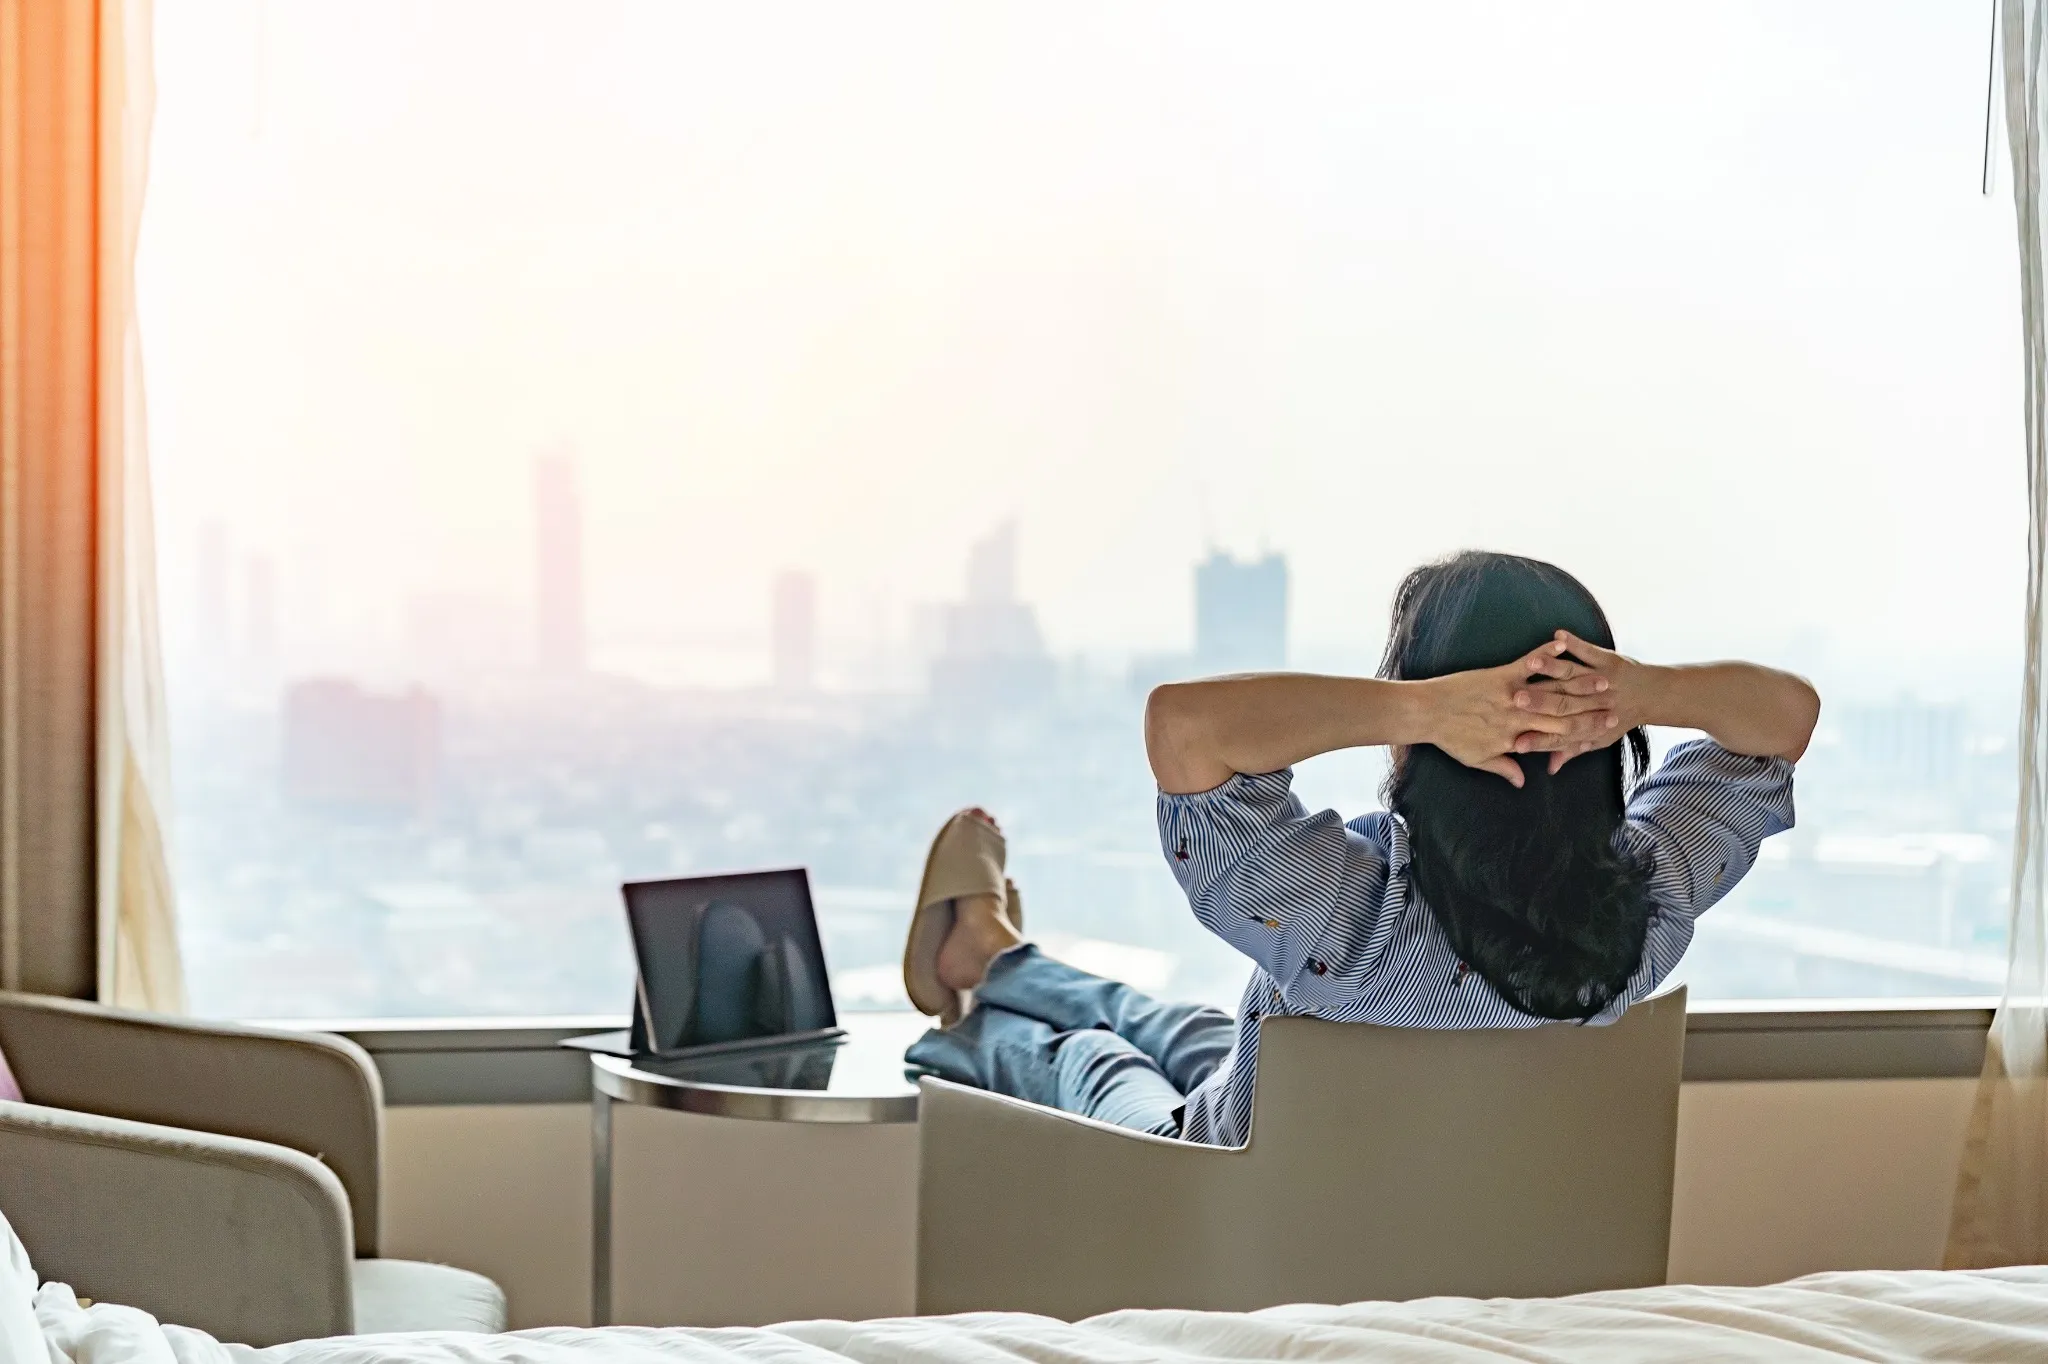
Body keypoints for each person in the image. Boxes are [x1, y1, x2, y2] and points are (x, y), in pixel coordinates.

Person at [900, 550, 1820, 1145]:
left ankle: (986, 987)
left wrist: (1423, 709)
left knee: (1098, 1061)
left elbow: (1184, 727)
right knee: (1187, 1029)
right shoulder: (1650, 906)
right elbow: (1785, 719)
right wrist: (1641, 691)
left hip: (1212, 1183)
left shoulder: (1356, 919)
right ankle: (991, 954)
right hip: (1401, 1194)